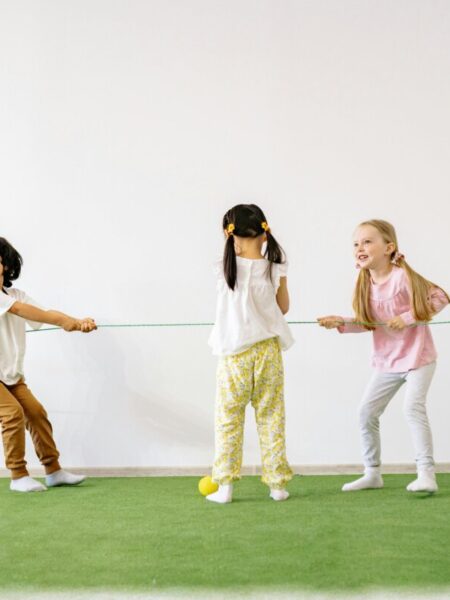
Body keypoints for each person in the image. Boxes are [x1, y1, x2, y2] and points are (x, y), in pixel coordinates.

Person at [318, 220, 449, 493]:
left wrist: (408, 317)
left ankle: (426, 475)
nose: (360, 248)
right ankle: (372, 473)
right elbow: (369, 323)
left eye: (367, 242)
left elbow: (441, 297)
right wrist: (340, 321)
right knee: (366, 413)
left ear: (389, 248)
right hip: (387, 362)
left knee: (412, 408)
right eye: (356, 243)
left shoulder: (402, 277)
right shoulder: (365, 283)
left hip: (418, 359)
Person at [207, 204, 294, 504]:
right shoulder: (276, 266)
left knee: (228, 419)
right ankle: (277, 486)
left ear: (229, 234)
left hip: (235, 355)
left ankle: (225, 488)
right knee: (272, 416)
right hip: (268, 351)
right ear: (264, 233)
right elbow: (283, 308)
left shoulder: (224, 268)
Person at [0, 237, 97, 492]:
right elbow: (21, 311)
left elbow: (43, 313)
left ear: (6, 265)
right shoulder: (12, 303)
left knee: (36, 413)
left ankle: (53, 471)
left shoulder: (15, 295)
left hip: (11, 375)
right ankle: (18, 476)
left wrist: (77, 321)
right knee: (12, 414)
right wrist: (67, 323)